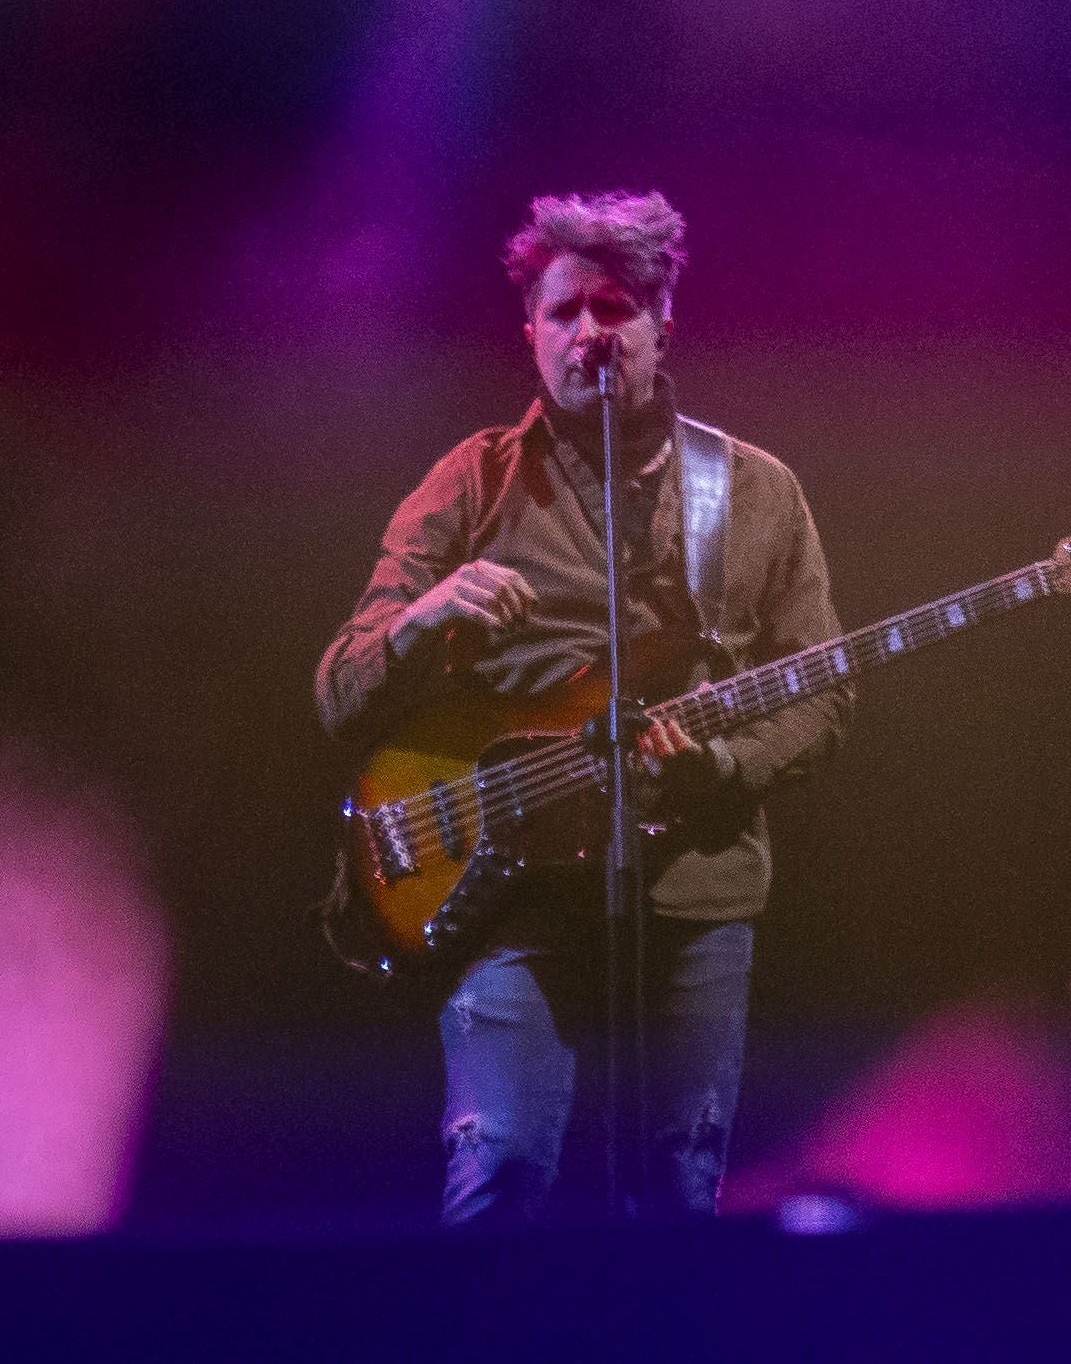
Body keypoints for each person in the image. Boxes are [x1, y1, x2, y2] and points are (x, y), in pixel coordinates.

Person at [318, 189, 847, 1220]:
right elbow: (341, 690)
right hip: (509, 896)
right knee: (503, 1169)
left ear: (661, 324)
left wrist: (720, 766)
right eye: (565, 313)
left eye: (614, 310)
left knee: (675, 1189)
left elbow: (823, 690)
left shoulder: (753, 492)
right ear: (529, 331)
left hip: (693, 886)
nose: (589, 336)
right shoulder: (470, 482)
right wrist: (423, 618)